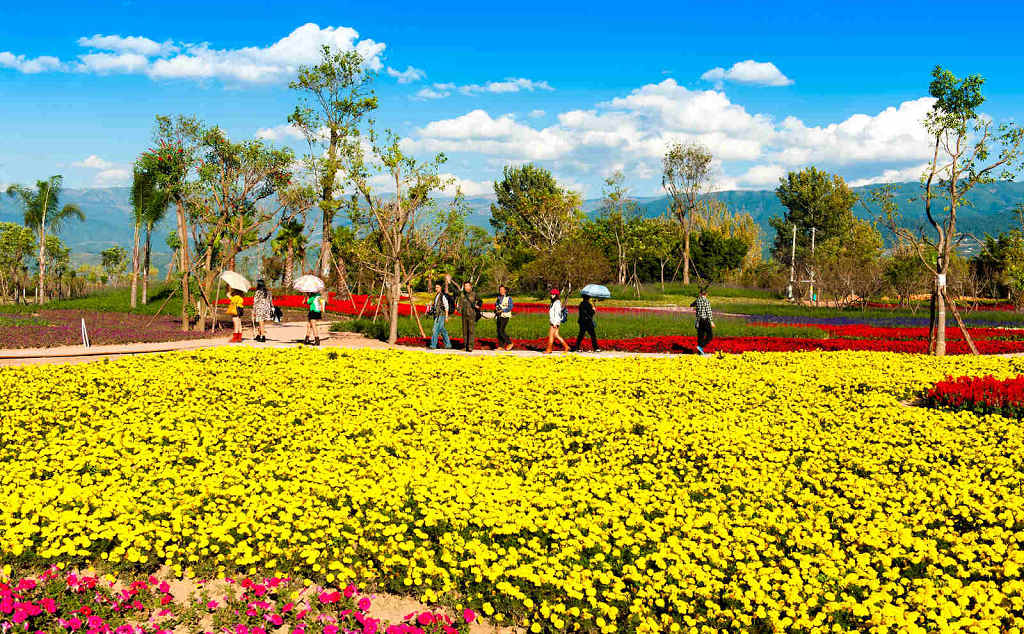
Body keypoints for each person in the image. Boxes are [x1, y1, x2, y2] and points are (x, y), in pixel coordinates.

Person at [457, 281, 482, 352]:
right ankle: (465, 346)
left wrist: (478, 306)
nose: (467, 288)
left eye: (468, 286)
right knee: (465, 331)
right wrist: (459, 308)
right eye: (465, 286)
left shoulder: (474, 294)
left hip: (472, 314)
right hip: (464, 315)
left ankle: (470, 346)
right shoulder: (462, 294)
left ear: (471, 287)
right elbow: (460, 303)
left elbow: (480, 301)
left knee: (471, 331)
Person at [544, 288, 570, 354]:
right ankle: (566, 346)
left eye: (553, 294)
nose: (552, 295)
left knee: (550, 335)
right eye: (551, 294)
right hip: (553, 321)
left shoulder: (557, 303)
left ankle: (549, 349)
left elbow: (557, 314)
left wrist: (555, 323)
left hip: (555, 322)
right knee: (556, 335)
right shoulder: (553, 303)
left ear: (556, 295)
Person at [691, 287, 715, 355]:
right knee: (710, 336)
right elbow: (709, 312)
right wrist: (711, 321)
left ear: (700, 294)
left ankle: (700, 352)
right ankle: (701, 346)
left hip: (699, 321)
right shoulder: (706, 301)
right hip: (705, 321)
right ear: (706, 294)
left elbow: (692, 304)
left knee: (700, 336)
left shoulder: (698, 300)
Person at [428, 282, 452, 350]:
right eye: (435, 287)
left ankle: (433, 345)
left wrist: (446, 317)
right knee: (442, 330)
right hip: (437, 315)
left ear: (441, 288)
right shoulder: (437, 295)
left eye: (437, 287)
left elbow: (446, 306)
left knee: (435, 329)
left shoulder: (443, 296)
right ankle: (448, 344)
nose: (436, 289)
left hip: (441, 315)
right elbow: (436, 305)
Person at [495, 285, 514, 351]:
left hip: (505, 316)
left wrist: (502, 310)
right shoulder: (498, 298)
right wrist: (497, 310)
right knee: (498, 331)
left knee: (501, 330)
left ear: (505, 290)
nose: (501, 291)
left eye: (503, 290)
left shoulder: (509, 298)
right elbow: (496, 305)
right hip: (499, 316)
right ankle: (501, 346)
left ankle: (510, 343)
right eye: (500, 290)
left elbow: (510, 307)